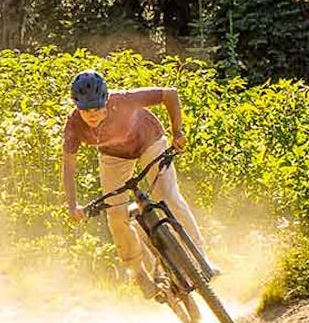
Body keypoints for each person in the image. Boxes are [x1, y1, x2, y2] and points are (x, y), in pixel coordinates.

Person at [60, 69, 211, 296]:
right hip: (113, 156)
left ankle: (200, 258)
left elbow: (169, 94)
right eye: (85, 109)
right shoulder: (73, 125)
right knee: (116, 216)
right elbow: (69, 164)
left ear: (106, 99)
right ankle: (140, 275)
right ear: (76, 105)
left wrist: (177, 132)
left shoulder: (123, 100)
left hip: (149, 141)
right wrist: (73, 205)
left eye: (96, 107)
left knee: (168, 195)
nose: (91, 115)